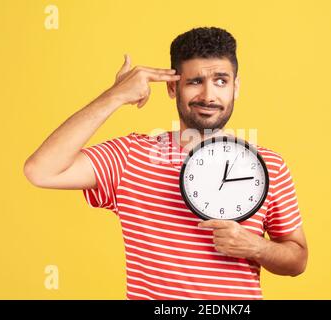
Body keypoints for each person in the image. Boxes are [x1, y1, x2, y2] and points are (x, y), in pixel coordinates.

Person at [24, 26, 308, 300]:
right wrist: (116, 95)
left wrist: (256, 247)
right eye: (195, 81)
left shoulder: (268, 165)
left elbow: (297, 260)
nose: (209, 95)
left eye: (221, 81)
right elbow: (41, 171)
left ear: (236, 87)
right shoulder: (130, 157)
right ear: (173, 88)